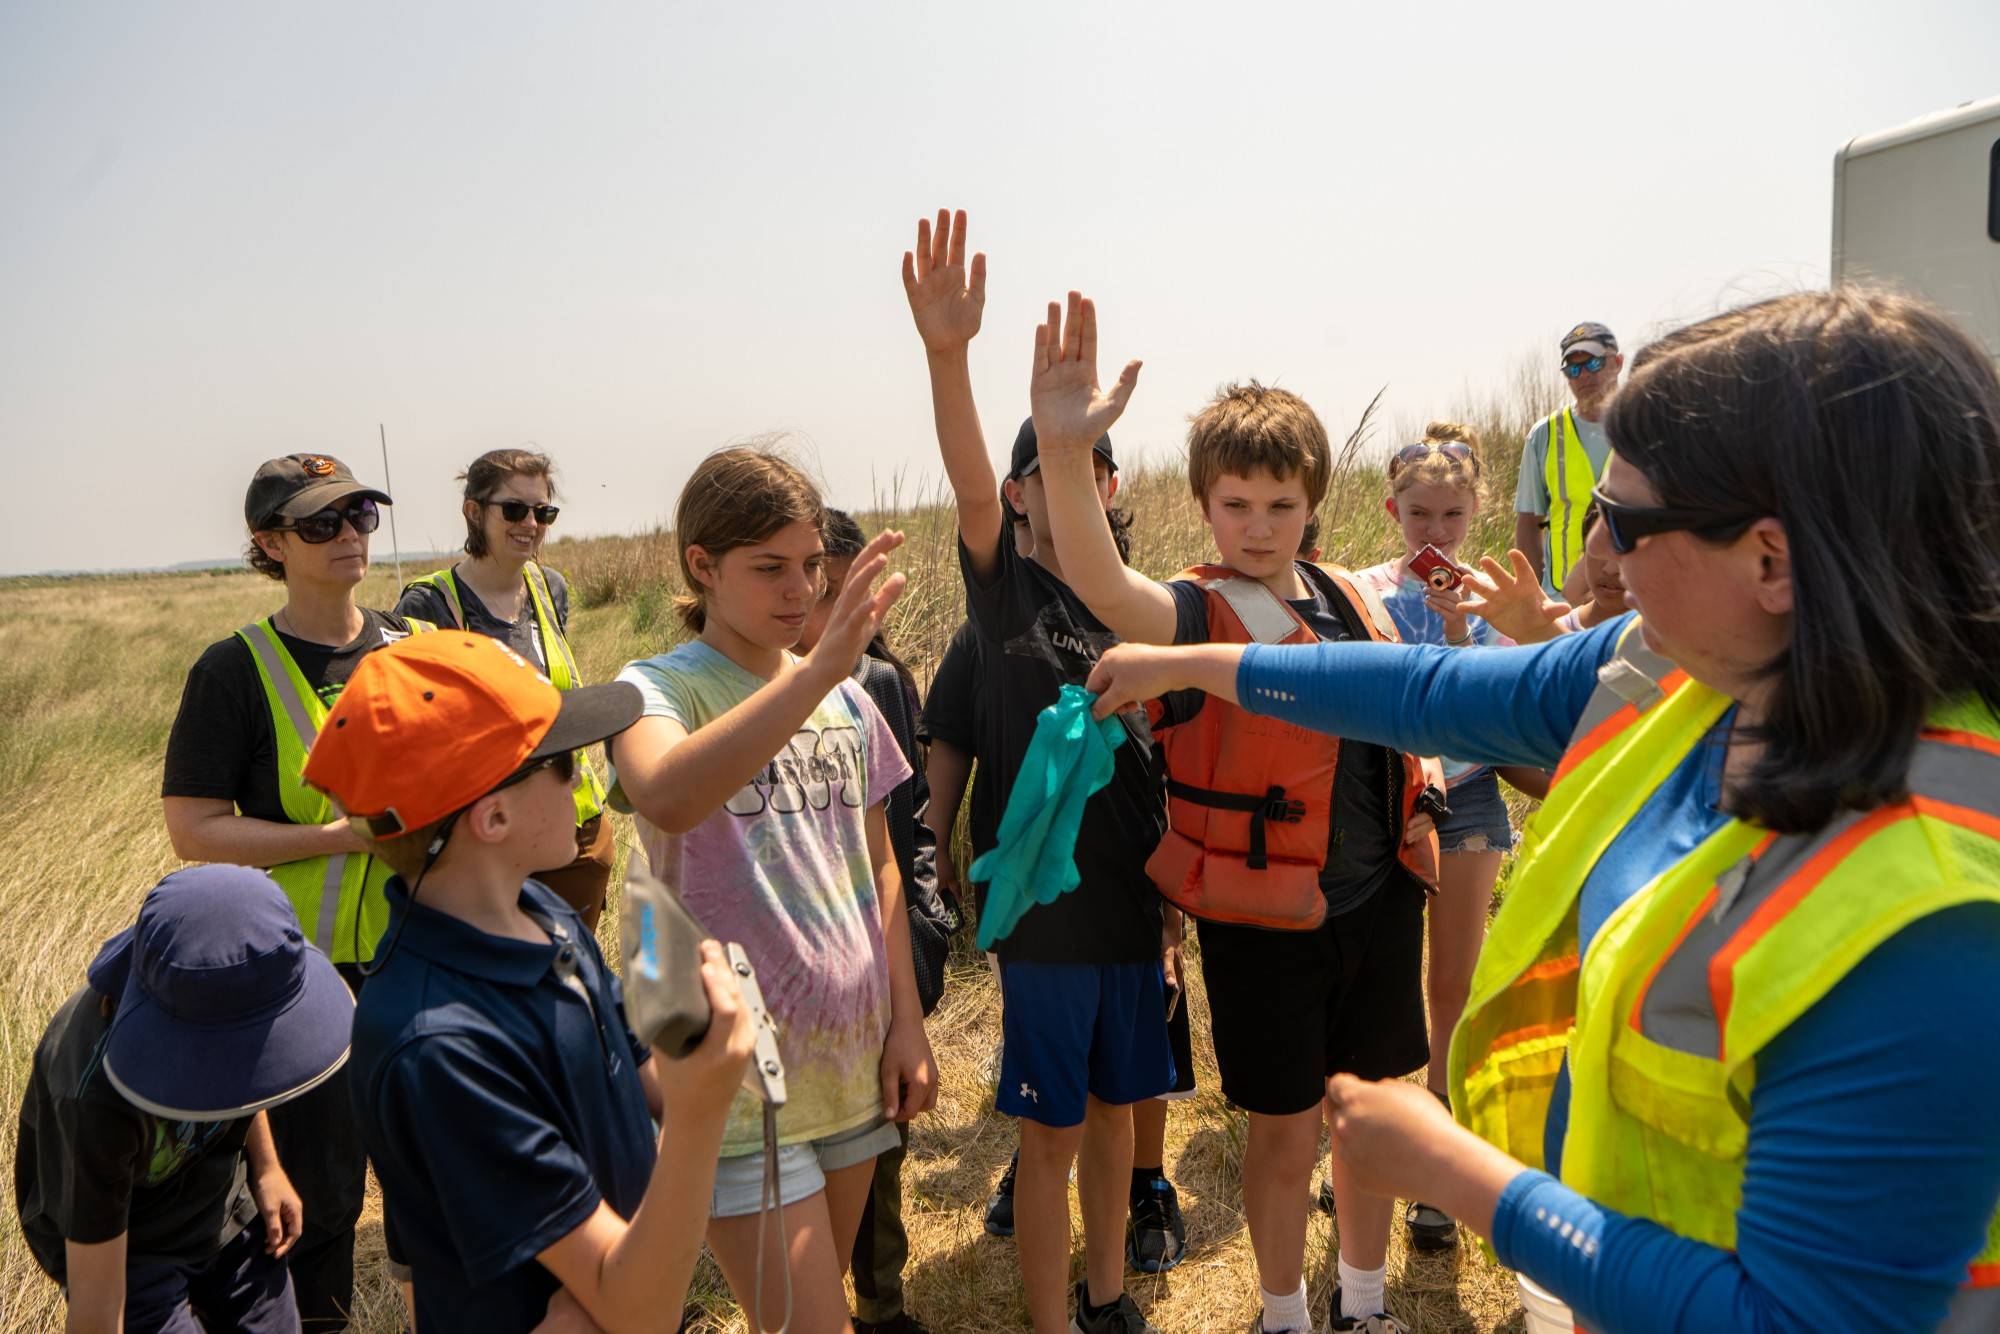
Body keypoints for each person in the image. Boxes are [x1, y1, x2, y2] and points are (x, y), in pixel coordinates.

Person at [1082, 289, 2000, 1332]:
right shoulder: (1676, 667)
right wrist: (1192, 660)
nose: (1593, 555)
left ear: (1770, 560)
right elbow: (1420, 688)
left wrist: (1462, 1176)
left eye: (1626, 521)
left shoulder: (1926, 920)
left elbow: (1796, 1315)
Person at [1028, 290, 1440, 1334]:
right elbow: (1102, 584)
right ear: (1205, 507)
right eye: (1235, 505)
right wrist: (1070, 457)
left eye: (1280, 505)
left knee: (1371, 1116)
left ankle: (1362, 1301)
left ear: (1313, 502)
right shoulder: (1193, 607)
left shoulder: (1351, 595)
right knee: (1282, 1128)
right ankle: (1280, 1313)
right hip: (1262, 919)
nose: (1258, 528)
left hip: (1377, 899)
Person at [904, 208, 1190, 1334]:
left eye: (1094, 464)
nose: (1070, 478)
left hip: (1134, 895)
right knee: (1049, 1130)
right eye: (1046, 466)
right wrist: (946, 355)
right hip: (1046, 907)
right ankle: (1046, 1318)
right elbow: (971, 488)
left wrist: (1173, 904)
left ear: (1108, 490)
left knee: (1122, 1112)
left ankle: (1107, 1293)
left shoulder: (1142, 604)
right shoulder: (1004, 596)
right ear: (1026, 490)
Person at [303, 631, 758, 1333]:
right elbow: (636, 1308)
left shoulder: (538, 912)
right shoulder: (438, 1047)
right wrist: (699, 1120)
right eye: (562, 763)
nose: (581, 780)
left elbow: (643, 1081)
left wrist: (703, 1062)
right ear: (493, 816)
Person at [607, 447, 937, 1334]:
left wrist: (906, 1022)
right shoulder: (656, 688)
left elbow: (881, 869)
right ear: (701, 566)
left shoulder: (848, 700)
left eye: (811, 568)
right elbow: (667, 795)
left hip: (851, 1062)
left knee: (804, 1313)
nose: (798, 590)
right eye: (769, 568)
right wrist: (821, 671)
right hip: (736, 1078)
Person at [160, 453, 431, 1328]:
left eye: (361, 516)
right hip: (306, 984)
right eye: (322, 523)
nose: (350, 534)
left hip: (425, 956)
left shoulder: (413, 649)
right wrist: (340, 838)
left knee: (443, 1176)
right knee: (320, 1200)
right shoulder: (233, 671)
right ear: (269, 543)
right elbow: (194, 828)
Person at [14, 865, 350, 1334]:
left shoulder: (218, 1010)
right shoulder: (93, 1098)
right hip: (131, 1249)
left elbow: (246, 1076)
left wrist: (268, 1169)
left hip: (221, 1207)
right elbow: (99, 1301)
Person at [1354, 421, 1513, 1254]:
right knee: (1377, 985)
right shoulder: (1366, 587)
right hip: (1384, 803)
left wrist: (1458, 628)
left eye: (1452, 515)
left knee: (1450, 985)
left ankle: (1438, 1175)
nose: (1436, 533)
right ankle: (1368, 1152)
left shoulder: (1491, 592)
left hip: (1472, 800)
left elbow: (1499, 716)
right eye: (1420, 514)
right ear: (1393, 509)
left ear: (1475, 512)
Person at [806, 508, 956, 1334]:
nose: (818, 610)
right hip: (802, 970)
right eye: (812, 588)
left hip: (881, 947)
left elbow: (911, 824)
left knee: (882, 1141)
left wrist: (926, 929)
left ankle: (883, 1303)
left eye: (839, 592)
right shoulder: (741, 692)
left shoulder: (877, 686)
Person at [394, 447, 616, 930]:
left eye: (543, 512)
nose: (531, 524)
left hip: (575, 828)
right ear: (474, 512)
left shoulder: (550, 587)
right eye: (514, 509)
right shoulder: (429, 603)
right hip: (492, 840)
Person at [1515, 323, 1622, 597]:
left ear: (1618, 362)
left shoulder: (1647, 424)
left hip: (1631, 594)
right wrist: (1535, 595)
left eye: (1593, 364)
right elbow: (1528, 522)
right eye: (1573, 369)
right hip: (1563, 599)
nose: (1584, 375)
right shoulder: (1544, 434)